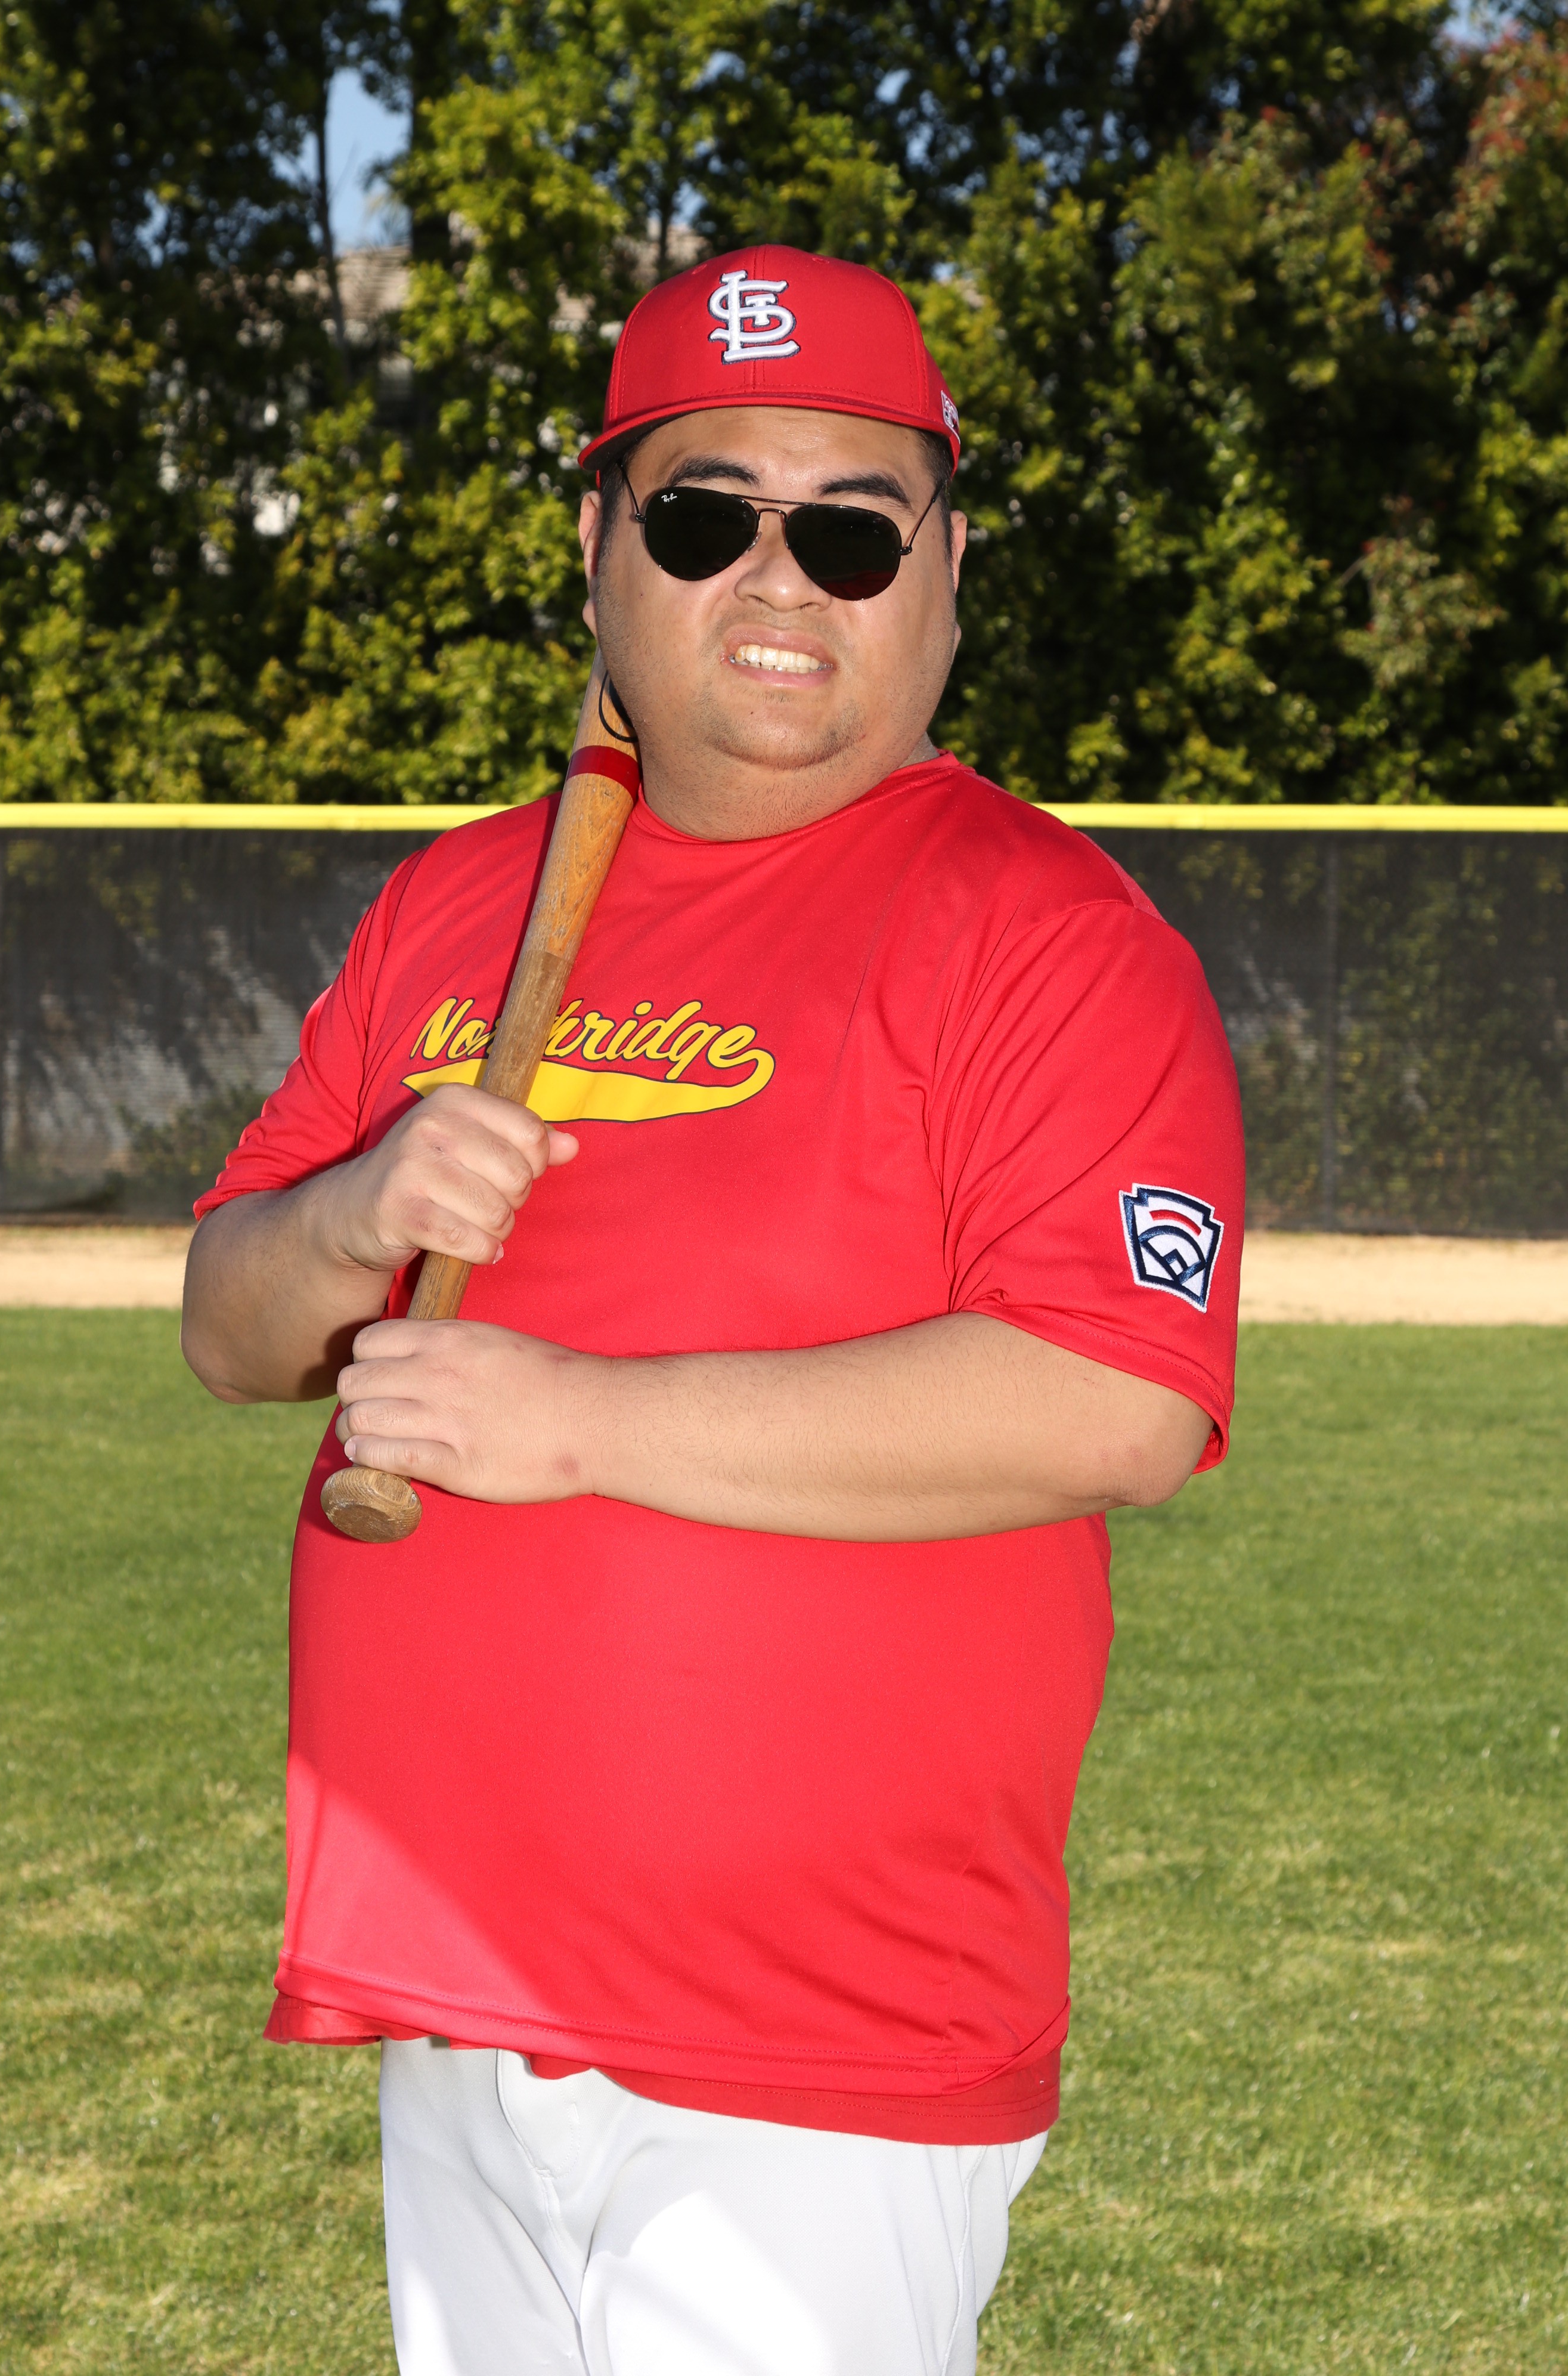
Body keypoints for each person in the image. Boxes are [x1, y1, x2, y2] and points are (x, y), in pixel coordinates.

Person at [182, 245, 1245, 2375]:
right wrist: (359, 1208)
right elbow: (231, 1322)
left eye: (852, 528)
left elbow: (1114, 1399)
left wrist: (575, 1418)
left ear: (944, 569)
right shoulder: (460, 899)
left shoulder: (1049, 930)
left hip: (818, 2042)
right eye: (703, 514)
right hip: (452, 1977)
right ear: (600, 543)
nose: (780, 575)